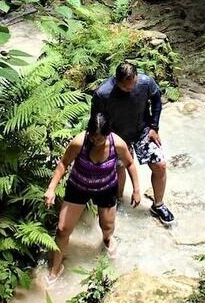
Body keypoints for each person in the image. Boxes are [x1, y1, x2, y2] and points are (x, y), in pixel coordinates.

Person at [44, 112, 140, 284]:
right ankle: (56, 269)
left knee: (107, 226)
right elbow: (63, 163)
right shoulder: (79, 142)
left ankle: (107, 240)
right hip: (78, 187)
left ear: (108, 134)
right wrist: (51, 188)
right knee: (62, 229)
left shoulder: (117, 143)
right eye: (93, 137)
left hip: (106, 188)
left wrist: (136, 190)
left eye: (100, 139)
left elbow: (130, 163)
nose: (96, 141)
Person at [91, 62, 175, 225]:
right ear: (117, 81)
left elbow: (156, 100)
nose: (130, 88)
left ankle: (158, 205)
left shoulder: (146, 82)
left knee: (160, 165)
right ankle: (118, 200)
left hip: (143, 130)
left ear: (137, 77)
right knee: (119, 168)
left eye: (133, 84)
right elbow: (97, 121)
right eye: (126, 87)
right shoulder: (103, 94)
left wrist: (154, 127)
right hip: (118, 135)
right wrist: (102, 142)